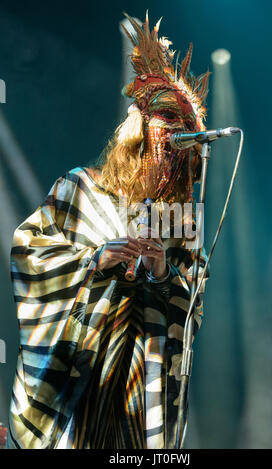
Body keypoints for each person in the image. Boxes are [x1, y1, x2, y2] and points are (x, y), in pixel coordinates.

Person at [7, 12, 209, 449]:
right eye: (167, 128)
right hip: (83, 366)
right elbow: (29, 249)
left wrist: (160, 271)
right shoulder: (80, 186)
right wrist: (93, 260)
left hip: (141, 379)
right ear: (139, 132)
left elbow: (193, 302)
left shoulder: (182, 218)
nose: (175, 142)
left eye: (184, 134)